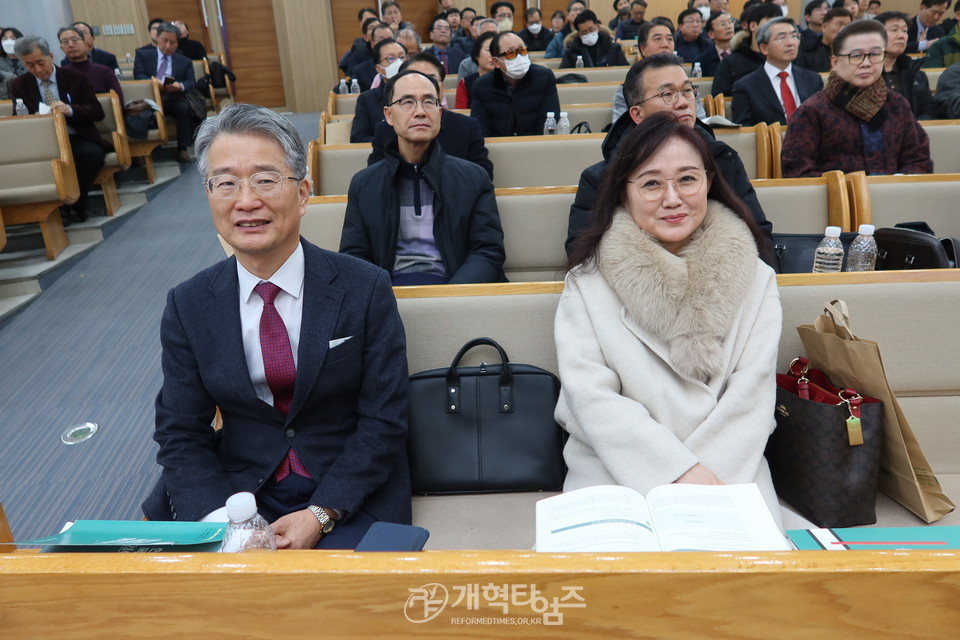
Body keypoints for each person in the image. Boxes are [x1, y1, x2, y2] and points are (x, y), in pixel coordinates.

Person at [143, 103, 411, 550]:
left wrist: (321, 513)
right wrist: (221, 522)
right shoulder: (188, 304)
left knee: (346, 606)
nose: (246, 201)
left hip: (347, 485)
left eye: (265, 180)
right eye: (226, 183)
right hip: (240, 488)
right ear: (210, 196)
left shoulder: (364, 286)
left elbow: (384, 419)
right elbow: (180, 431)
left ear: (303, 193)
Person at [557, 111, 784, 528]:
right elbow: (591, 397)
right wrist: (673, 471)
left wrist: (701, 481)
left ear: (709, 182)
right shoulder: (587, 283)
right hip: (617, 470)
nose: (673, 198)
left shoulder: (758, 278)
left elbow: (751, 399)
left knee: (746, 586)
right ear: (623, 194)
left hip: (729, 471)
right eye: (651, 183)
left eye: (687, 179)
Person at [567, 54, 775, 267]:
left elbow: (758, 236)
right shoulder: (601, 178)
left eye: (687, 91)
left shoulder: (722, 161)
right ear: (637, 114)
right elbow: (582, 255)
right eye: (668, 94)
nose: (683, 103)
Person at [341, 70, 505, 285]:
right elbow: (354, 255)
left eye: (429, 102)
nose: (420, 111)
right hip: (388, 298)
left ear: (439, 112)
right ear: (389, 115)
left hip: (457, 294)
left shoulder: (473, 178)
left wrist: (450, 297)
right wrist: (381, 299)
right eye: (407, 102)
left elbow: (488, 251)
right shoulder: (364, 183)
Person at [782, 20, 933, 176]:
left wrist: (897, 184)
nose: (866, 63)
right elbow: (797, 172)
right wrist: (847, 189)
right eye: (856, 56)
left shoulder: (897, 104)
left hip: (894, 196)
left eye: (875, 54)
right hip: (838, 198)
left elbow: (918, 159)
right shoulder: (813, 111)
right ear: (834, 62)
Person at [10, 35, 106, 223]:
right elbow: (18, 117)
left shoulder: (74, 78)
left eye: (40, 62)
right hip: (42, 141)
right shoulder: (19, 84)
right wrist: (33, 120)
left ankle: (76, 202)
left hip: (76, 136)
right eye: (29, 65)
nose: (37, 70)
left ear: (51, 56)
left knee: (92, 155)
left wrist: (70, 110)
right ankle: (55, 208)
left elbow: (97, 111)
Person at [369, 53, 494, 179]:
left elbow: (483, 176)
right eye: (415, 78)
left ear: (442, 88)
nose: (422, 83)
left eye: (431, 79)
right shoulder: (385, 129)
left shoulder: (467, 127)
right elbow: (375, 178)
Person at [732, 18, 824, 125]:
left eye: (794, 36)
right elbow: (745, 132)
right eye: (781, 38)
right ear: (764, 48)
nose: (790, 43)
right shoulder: (745, 86)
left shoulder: (813, 80)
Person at [133, 22, 202, 162]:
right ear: (157, 37)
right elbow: (139, 75)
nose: (168, 46)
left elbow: (191, 82)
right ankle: (142, 151)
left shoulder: (184, 61)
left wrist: (179, 86)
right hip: (150, 96)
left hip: (173, 97)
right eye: (165, 41)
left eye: (173, 42)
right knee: (140, 111)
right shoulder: (143, 55)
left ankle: (182, 148)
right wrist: (153, 82)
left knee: (184, 108)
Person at [470, 31, 561, 136]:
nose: (519, 57)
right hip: (498, 147)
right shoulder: (481, 86)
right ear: (496, 62)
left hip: (536, 145)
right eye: (510, 53)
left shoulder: (544, 77)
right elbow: (481, 130)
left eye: (522, 50)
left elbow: (548, 122)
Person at [712, 3, 784, 95]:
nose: (775, 27)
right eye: (770, 21)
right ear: (752, 26)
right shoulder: (731, 62)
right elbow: (720, 100)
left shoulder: (784, 60)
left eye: (778, 22)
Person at [877, 11, 937, 119]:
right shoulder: (864, 74)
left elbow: (929, 110)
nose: (901, 36)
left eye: (904, 31)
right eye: (894, 30)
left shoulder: (916, 73)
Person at [350, 38, 407, 143]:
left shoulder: (419, 92)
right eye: (390, 58)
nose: (399, 62)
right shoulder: (367, 99)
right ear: (379, 69)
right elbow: (358, 138)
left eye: (402, 57)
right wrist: (394, 143)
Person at [58, 26, 123, 99]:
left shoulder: (104, 72)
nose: (70, 45)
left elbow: (118, 100)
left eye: (74, 40)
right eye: (65, 42)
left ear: (86, 45)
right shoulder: (60, 75)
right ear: (62, 48)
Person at [560, 10, 630, 68]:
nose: (588, 33)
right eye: (584, 32)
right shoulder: (571, 51)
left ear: (598, 27)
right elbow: (565, 75)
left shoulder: (613, 48)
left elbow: (625, 72)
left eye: (591, 29)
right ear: (579, 34)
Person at [455, 31, 497, 108]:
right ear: (477, 54)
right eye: (489, 50)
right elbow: (461, 113)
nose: (493, 55)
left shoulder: (508, 80)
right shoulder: (465, 83)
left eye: (497, 50)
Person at [675, 8, 719, 76]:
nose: (695, 25)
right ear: (680, 27)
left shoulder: (709, 44)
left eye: (698, 21)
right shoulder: (674, 44)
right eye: (691, 21)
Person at [0, 28, 26, 100]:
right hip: (6, 103)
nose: (8, 42)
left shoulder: (29, 60)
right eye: (5, 39)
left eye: (13, 38)